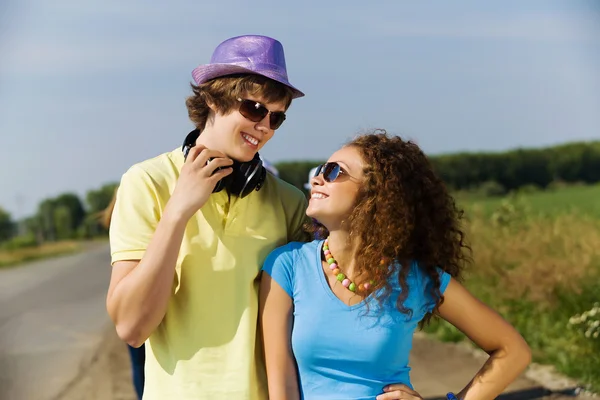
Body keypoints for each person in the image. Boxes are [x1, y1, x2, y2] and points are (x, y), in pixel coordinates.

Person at [106, 35, 309, 400]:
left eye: (276, 117)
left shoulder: (290, 202)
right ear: (212, 98)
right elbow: (131, 328)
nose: (265, 126)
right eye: (253, 108)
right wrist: (179, 210)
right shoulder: (147, 182)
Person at [259, 130, 532, 400]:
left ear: (377, 193)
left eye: (334, 171)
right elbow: (281, 386)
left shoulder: (416, 279)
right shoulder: (288, 265)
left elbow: (512, 351)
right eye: (320, 169)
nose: (317, 179)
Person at [101, 191, 145, 400]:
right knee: (141, 360)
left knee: (138, 362)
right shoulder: (139, 205)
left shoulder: (119, 216)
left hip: (132, 298)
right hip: (145, 295)